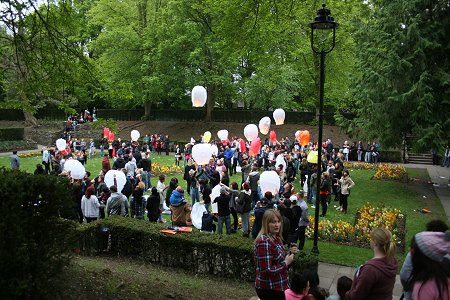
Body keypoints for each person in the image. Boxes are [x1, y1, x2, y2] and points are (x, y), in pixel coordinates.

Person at [254, 209, 298, 300]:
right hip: (269, 289)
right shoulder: (264, 242)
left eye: (278, 221)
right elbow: (266, 270)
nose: (277, 225)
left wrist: (289, 254)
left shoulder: (276, 237)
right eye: (273, 222)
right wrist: (286, 262)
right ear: (266, 224)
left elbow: (278, 260)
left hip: (278, 286)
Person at [400, 219, 449, 300]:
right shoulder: (445, 262)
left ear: (421, 257)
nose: (410, 251)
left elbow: (404, 275)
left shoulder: (424, 288)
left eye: (412, 249)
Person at [345, 227, 398, 300]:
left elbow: (357, 296)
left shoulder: (370, 270)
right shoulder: (392, 260)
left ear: (375, 242)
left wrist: (348, 294)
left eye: (371, 238)